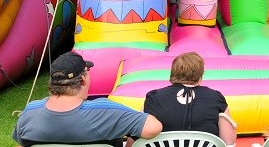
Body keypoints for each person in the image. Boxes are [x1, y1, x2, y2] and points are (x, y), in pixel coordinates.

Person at [12, 51, 162, 147]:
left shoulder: (30, 113)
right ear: (83, 79)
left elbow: (22, 143)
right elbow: (153, 127)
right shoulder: (105, 111)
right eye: (87, 71)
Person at [144, 52, 237, 147]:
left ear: (173, 73)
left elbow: (138, 134)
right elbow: (229, 142)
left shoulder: (153, 98)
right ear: (200, 75)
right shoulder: (215, 97)